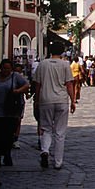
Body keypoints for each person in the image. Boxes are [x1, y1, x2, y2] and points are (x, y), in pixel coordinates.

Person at [33, 40, 76, 169]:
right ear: (62, 51)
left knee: (46, 128)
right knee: (60, 132)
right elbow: (69, 84)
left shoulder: (43, 64)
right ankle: (58, 162)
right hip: (61, 100)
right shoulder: (65, 64)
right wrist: (73, 100)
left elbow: (38, 84)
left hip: (45, 99)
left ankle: (45, 150)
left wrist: (36, 100)